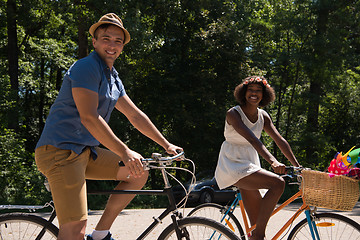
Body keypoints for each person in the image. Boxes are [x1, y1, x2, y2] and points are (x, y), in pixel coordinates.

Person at [35, 13, 182, 240]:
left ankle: (101, 234)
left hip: (84, 152)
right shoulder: (86, 67)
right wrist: (124, 151)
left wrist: (166, 144)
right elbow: (89, 117)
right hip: (60, 151)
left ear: (122, 46)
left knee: (138, 172)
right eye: (106, 38)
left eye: (118, 41)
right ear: (94, 42)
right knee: (75, 229)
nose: (112, 45)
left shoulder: (112, 77)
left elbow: (135, 115)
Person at [214, 76, 300, 240]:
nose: (254, 94)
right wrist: (273, 161)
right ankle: (258, 237)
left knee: (255, 223)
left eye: (258, 91)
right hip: (232, 164)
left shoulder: (263, 116)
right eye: (250, 90)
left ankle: (256, 235)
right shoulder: (233, 113)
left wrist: (298, 166)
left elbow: (279, 140)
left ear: (264, 94)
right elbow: (253, 139)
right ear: (243, 93)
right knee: (277, 183)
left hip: (251, 163)